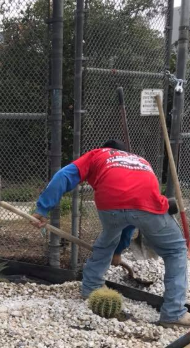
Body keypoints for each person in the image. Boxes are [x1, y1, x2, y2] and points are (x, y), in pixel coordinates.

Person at [32, 139, 190, 328]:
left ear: (105, 149)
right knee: (175, 251)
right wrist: (120, 250)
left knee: (106, 242)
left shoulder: (97, 154)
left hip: (111, 203)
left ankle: (90, 288)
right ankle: (173, 313)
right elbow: (132, 219)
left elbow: (63, 176)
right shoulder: (140, 161)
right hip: (147, 204)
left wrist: (42, 209)